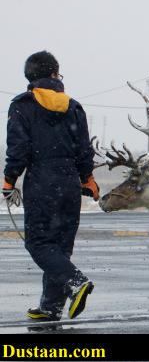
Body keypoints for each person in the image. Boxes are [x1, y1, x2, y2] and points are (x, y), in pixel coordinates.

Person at [2, 51, 100, 322]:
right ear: (55, 74)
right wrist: (87, 179)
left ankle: (75, 282)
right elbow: (84, 149)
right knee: (60, 245)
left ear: (30, 76)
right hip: (69, 182)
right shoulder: (74, 106)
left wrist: (9, 180)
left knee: (39, 243)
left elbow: (18, 148)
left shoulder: (23, 105)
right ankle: (50, 307)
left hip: (42, 181)